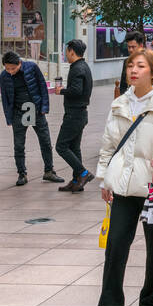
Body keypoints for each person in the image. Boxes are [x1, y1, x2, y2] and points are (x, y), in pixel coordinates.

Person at [96, 48, 153, 306]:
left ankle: (150, 299)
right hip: (123, 187)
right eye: (130, 66)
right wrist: (105, 179)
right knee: (115, 247)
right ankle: (110, 301)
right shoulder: (120, 103)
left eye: (140, 66)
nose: (133, 70)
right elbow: (109, 145)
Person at [0, 51, 64, 187]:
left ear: (20, 63)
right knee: (19, 145)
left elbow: (42, 87)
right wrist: (8, 118)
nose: (10, 71)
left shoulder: (32, 67)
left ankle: (49, 171)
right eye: (7, 68)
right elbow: (5, 98)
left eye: (13, 68)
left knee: (45, 141)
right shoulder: (4, 76)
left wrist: (44, 108)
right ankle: (22, 174)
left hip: (35, 109)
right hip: (18, 112)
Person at [55, 39, 95, 192]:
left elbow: (77, 90)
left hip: (74, 114)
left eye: (67, 51)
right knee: (74, 147)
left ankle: (84, 173)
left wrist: (62, 91)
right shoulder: (84, 66)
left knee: (61, 146)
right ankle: (76, 180)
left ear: (72, 51)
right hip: (80, 113)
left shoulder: (77, 68)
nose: (66, 54)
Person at [119, 30, 146, 95]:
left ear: (141, 46)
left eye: (133, 47)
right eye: (129, 47)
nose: (130, 50)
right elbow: (123, 85)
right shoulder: (126, 62)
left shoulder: (148, 61)